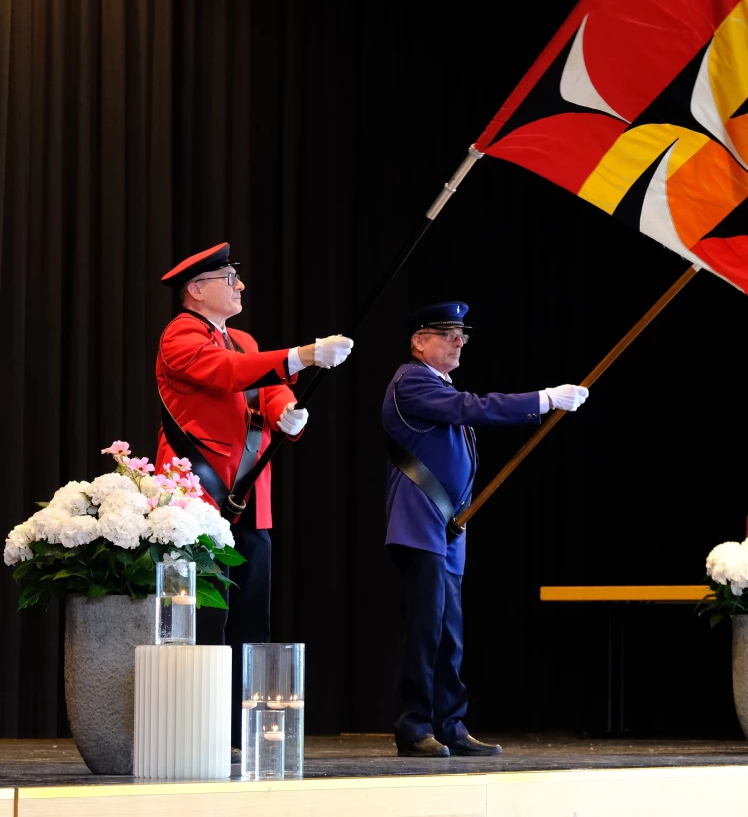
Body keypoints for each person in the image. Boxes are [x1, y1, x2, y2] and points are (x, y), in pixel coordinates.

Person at [157, 241, 353, 744]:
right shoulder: (180, 335)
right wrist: (303, 355)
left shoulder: (242, 338)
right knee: (205, 617)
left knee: (250, 617)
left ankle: (239, 733)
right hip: (197, 498)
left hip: (249, 497)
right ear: (197, 289)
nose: (240, 285)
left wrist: (285, 411)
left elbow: (266, 386)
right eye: (229, 278)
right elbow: (227, 374)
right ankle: (197, 728)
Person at [383, 301, 588, 758]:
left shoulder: (439, 385)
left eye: (462, 335)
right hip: (419, 522)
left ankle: (450, 725)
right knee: (424, 631)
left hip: (447, 528)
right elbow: (472, 408)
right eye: (447, 334)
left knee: (449, 634)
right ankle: (414, 727)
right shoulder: (411, 380)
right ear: (419, 342)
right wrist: (543, 399)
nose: (459, 342)